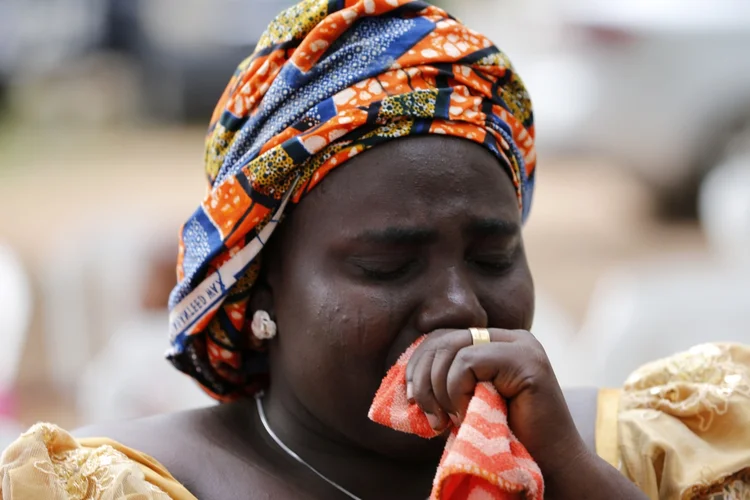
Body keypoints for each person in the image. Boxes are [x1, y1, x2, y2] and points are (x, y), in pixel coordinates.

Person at [2, 1, 749, 499]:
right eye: (386, 265)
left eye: (493, 257)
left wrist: (577, 478)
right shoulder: (131, 484)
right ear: (261, 289)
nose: (461, 302)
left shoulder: (656, 449)